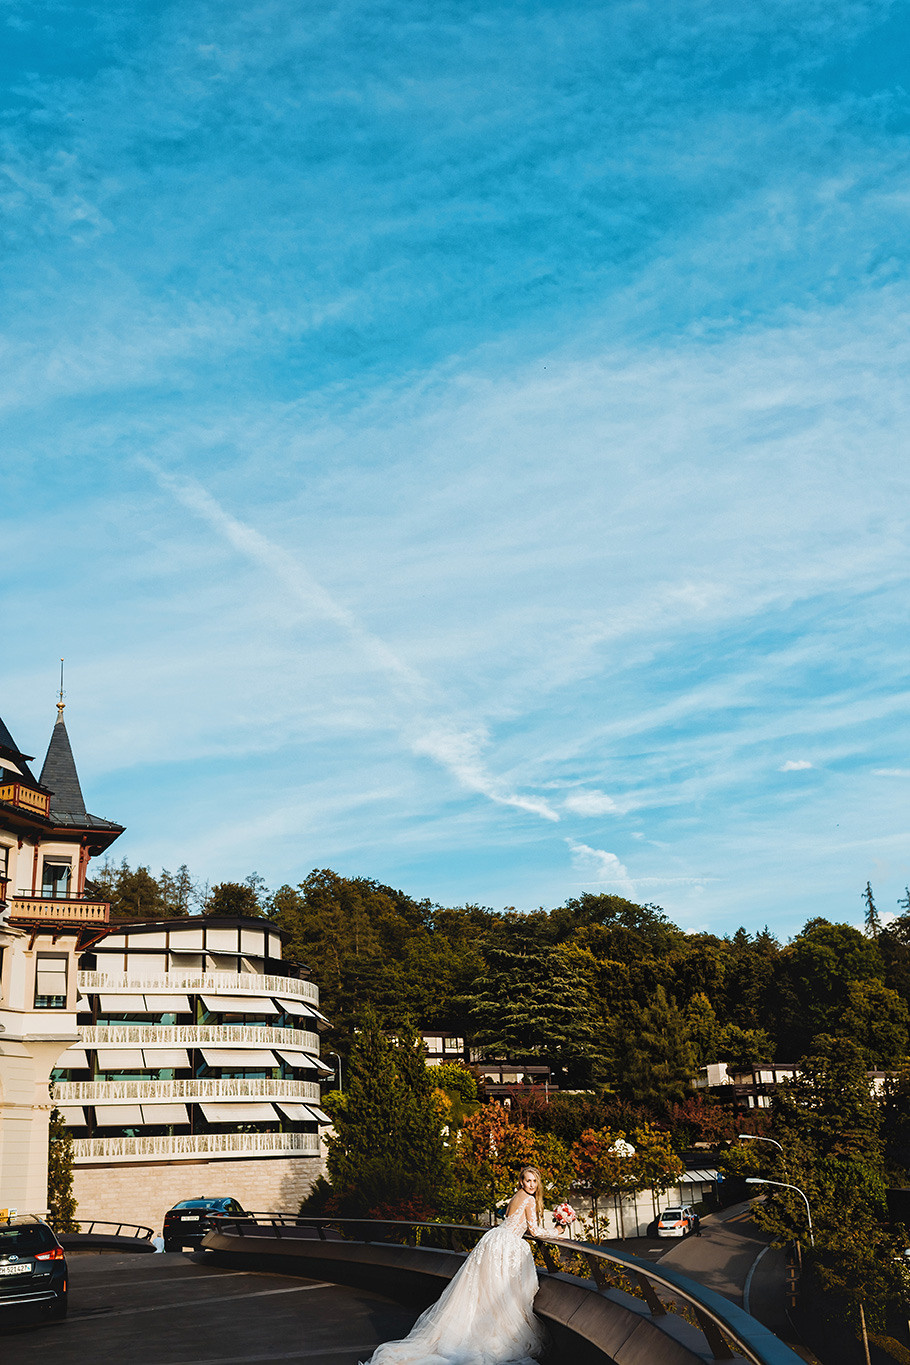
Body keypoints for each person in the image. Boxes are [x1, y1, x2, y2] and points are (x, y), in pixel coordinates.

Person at [363, 1166, 554, 1365]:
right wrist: (558, 1228)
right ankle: (491, 1334)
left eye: (534, 1181)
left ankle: (475, 1332)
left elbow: (515, 1222)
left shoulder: (516, 1196)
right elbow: (535, 1231)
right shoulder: (529, 1199)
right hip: (507, 1245)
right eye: (528, 1180)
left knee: (484, 1291)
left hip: (495, 1240)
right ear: (521, 1181)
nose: (531, 1185)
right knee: (499, 1293)